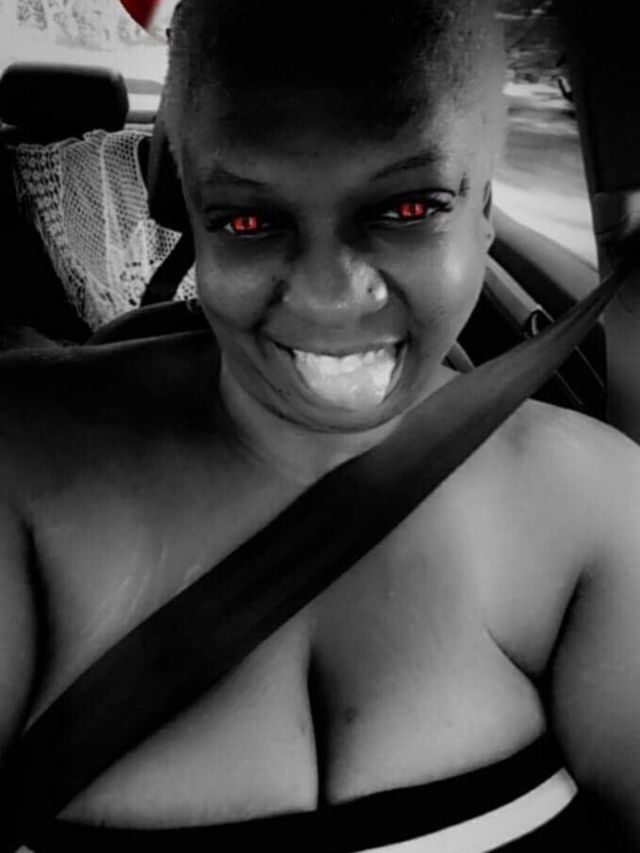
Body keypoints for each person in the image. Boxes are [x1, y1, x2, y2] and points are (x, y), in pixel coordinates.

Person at [1, 0, 640, 849]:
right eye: (247, 221)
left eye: (407, 209)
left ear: (485, 207)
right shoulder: (21, 473)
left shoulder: (593, 503)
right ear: (188, 210)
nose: (331, 297)